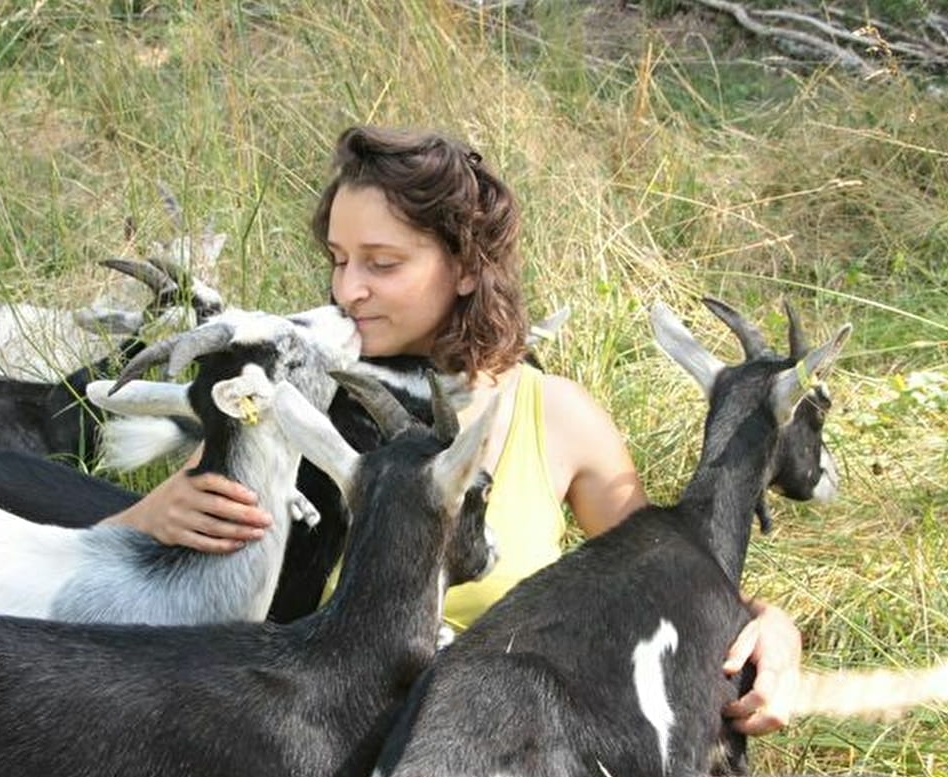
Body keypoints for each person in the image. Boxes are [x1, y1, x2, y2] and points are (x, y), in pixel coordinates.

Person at [104, 124, 801, 736]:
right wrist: (151, 514)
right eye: (339, 260)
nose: (348, 291)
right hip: (295, 758)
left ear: (467, 268)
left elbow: (667, 585)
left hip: (489, 761)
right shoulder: (298, 407)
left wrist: (771, 626)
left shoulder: (554, 416)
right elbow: (132, 561)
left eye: (382, 264)